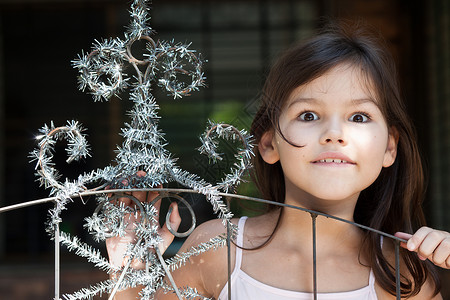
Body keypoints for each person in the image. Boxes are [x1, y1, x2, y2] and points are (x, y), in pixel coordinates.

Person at [107, 22, 450, 299]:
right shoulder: (219, 248)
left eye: (359, 117)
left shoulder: (404, 276)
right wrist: (128, 273)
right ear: (269, 143)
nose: (334, 133)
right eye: (308, 115)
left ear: (390, 148)